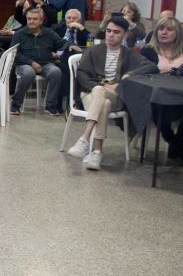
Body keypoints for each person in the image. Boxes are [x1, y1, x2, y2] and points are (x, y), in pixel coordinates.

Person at [66, 17, 158, 170]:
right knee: (103, 101)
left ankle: (84, 139)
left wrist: (128, 75)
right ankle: (96, 152)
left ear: (124, 35)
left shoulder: (128, 53)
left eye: (116, 32)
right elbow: (82, 75)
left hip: (116, 95)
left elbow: (152, 67)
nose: (111, 35)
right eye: (108, 31)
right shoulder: (93, 50)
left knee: (104, 97)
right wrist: (99, 86)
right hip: (90, 92)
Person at [140, 17, 183, 162]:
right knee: (160, 110)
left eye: (169, 29)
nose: (164, 32)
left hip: (182, 95)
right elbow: (141, 73)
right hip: (156, 96)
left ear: (177, 33)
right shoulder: (148, 50)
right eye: (161, 29)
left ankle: (175, 145)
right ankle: (174, 144)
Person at [9, 8, 81, 116]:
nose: (31, 21)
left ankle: (50, 106)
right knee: (29, 73)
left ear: (41, 21)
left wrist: (70, 45)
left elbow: (61, 42)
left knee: (56, 71)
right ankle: (15, 105)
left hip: (45, 63)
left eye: (34, 19)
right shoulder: (19, 34)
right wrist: (31, 62)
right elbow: (14, 54)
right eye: (29, 19)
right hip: (25, 64)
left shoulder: (49, 33)